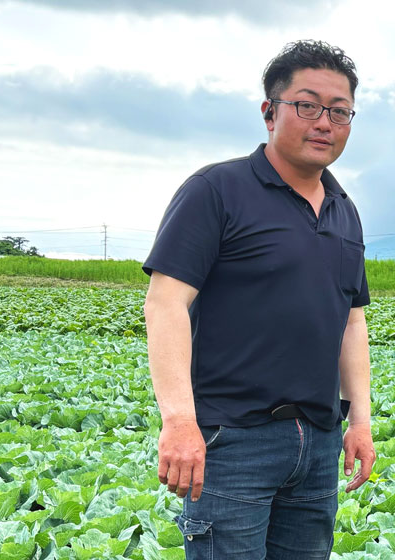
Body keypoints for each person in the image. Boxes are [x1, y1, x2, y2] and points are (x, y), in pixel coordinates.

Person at [142, 39, 375, 559]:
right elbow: (164, 304)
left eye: (340, 112)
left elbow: (351, 320)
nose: (324, 123)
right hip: (233, 441)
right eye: (307, 105)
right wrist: (179, 421)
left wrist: (359, 421)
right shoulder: (216, 190)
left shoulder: (345, 210)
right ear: (270, 113)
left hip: (317, 443)